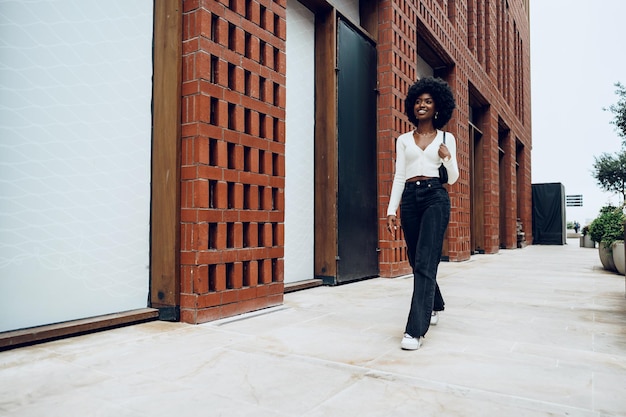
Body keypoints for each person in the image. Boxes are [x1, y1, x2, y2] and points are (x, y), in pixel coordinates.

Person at [386, 76, 460, 350]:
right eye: (418, 101)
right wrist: (391, 209)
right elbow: (398, 176)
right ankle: (436, 302)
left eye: (428, 101)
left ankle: (415, 330)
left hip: (434, 197)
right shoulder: (404, 139)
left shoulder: (446, 138)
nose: (422, 105)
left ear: (437, 106)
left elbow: (452, 179)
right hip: (409, 199)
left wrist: (447, 158)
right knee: (416, 259)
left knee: (426, 261)